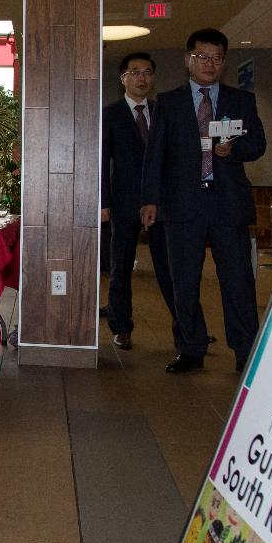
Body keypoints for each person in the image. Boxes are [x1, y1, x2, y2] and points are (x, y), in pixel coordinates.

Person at [141, 28, 266, 374]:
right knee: (184, 281)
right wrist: (150, 199)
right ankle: (191, 347)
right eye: (201, 57)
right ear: (188, 60)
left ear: (224, 62)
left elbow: (257, 143)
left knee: (238, 279)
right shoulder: (169, 102)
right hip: (182, 203)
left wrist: (233, 149)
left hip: (228, 202)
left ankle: (245, 349)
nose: (208, 64)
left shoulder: (241, 100)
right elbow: (155, 156)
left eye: (216, 58)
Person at [100, 52, 175, 350]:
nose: (142, 78)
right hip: (122, 203)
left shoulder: (163, 113)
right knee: (120, 268)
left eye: (147, 72)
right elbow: (103, 162)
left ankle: (186, 328)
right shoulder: (111, 114)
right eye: (135, 72)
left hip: (161, 203)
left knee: (169, 268)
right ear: (123, 79)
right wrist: (103, 202)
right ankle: (120, 327)